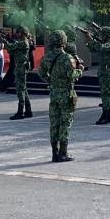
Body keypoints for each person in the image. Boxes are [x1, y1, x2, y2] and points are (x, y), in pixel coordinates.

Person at [38, 30, 83, 162]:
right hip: (66, 94)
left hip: (54, 94)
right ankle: (63, 152)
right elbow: (72, 75)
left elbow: (41, 72)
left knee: (54, 123)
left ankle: (54, 153)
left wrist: (51, 81)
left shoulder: (47, 56)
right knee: (65, 123)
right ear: (64, 41)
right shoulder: (67, 58)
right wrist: (80, 70)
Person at [84, 26, 110, 125]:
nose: (101, 36)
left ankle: (105, 115)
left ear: (107, 35)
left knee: (105, 94)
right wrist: (89, 39)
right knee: (108, 94)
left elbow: (100, 48)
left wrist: (92, 39)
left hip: (107, 72)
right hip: (104, 71)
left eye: (103, 35)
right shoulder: (106, 43)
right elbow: (93, 49)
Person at [6, 27, 34, 120]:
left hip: (21, 68)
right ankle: (28, 111)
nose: (17, 34)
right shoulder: (20, 42)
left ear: (23, 33)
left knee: (20, 90)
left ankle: (20, 112)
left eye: (19, 32)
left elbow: (11, 47)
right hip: (19, 67)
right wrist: (7, 41)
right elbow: (11, 51)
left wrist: (5, 41)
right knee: (23, 89)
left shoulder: (24, 42)